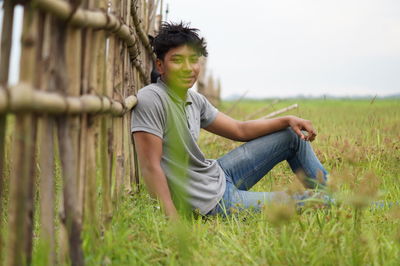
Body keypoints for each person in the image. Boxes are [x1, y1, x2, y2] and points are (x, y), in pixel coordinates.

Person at [131, 22, 328, 220]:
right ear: (160, 65)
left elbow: (239, 130)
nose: (187, 68)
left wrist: (287, 119)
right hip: (207, 201)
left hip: (217, 174)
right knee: (304, 200)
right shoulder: (152, 99)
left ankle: (330, 192)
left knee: (290, 135)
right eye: (177, 60)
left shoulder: (194, 99)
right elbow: (151, 166)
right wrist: (172, 218)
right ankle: (339, 202)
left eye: (193, 60)